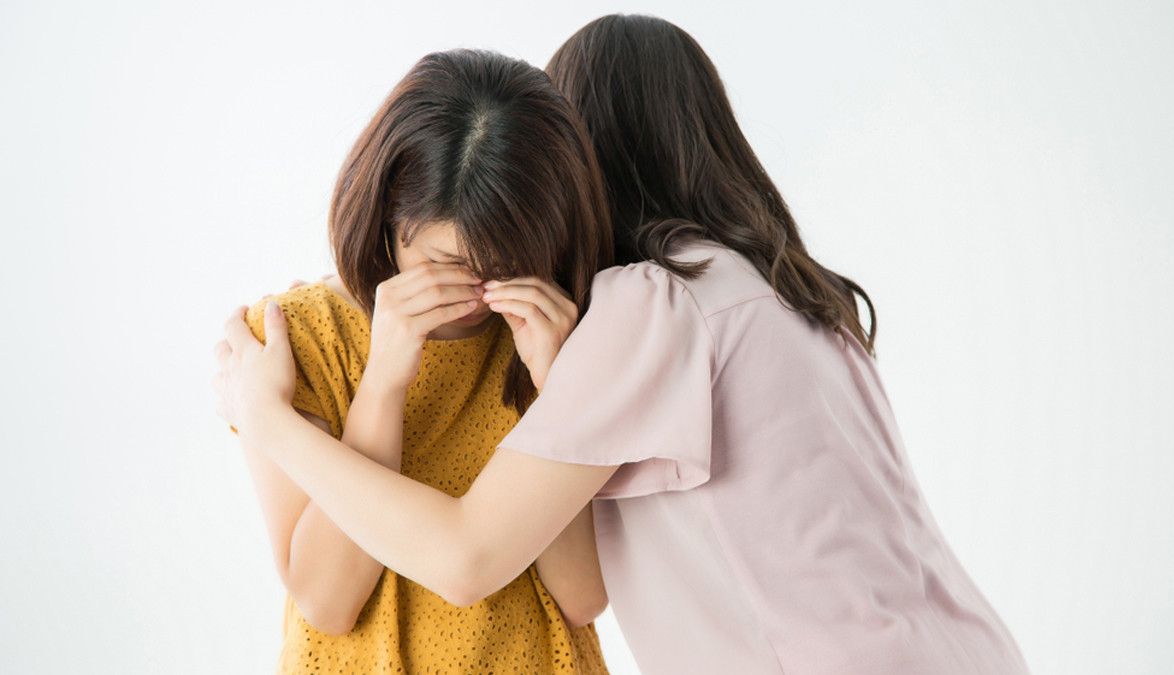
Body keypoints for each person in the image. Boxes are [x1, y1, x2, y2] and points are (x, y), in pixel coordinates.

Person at [215, 15, 1030, 675]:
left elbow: (484, 563)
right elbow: (331, 597)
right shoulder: (797, 293)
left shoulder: (645, 304)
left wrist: (268, 419)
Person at [224, 48, 613, 673]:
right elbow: (328, 602)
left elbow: (582, 596)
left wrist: (557, 391)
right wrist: (383, 381)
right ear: (386, 216)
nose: (478, 293)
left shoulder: (556, 333)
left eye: (506, 264)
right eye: (445, 263)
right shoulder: (296, 338)